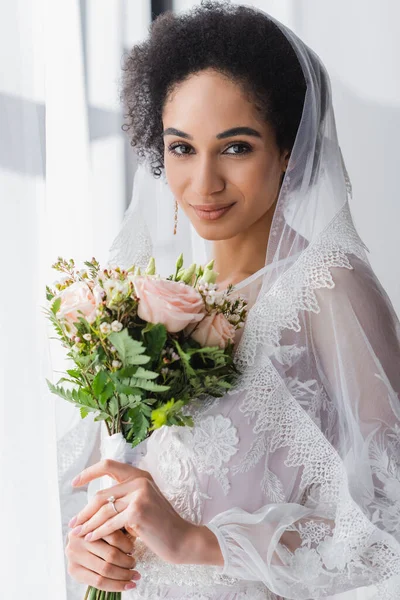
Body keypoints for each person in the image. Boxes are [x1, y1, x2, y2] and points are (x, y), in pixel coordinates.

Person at [58, 2, 400, 599]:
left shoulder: (327, 287)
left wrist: (197, 542)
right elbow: (108, 486)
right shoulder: (150, 302)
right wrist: (92, 548)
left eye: (236, 147)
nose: (204, 182)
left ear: (289, 151)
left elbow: (390, 521)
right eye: (182, 148)